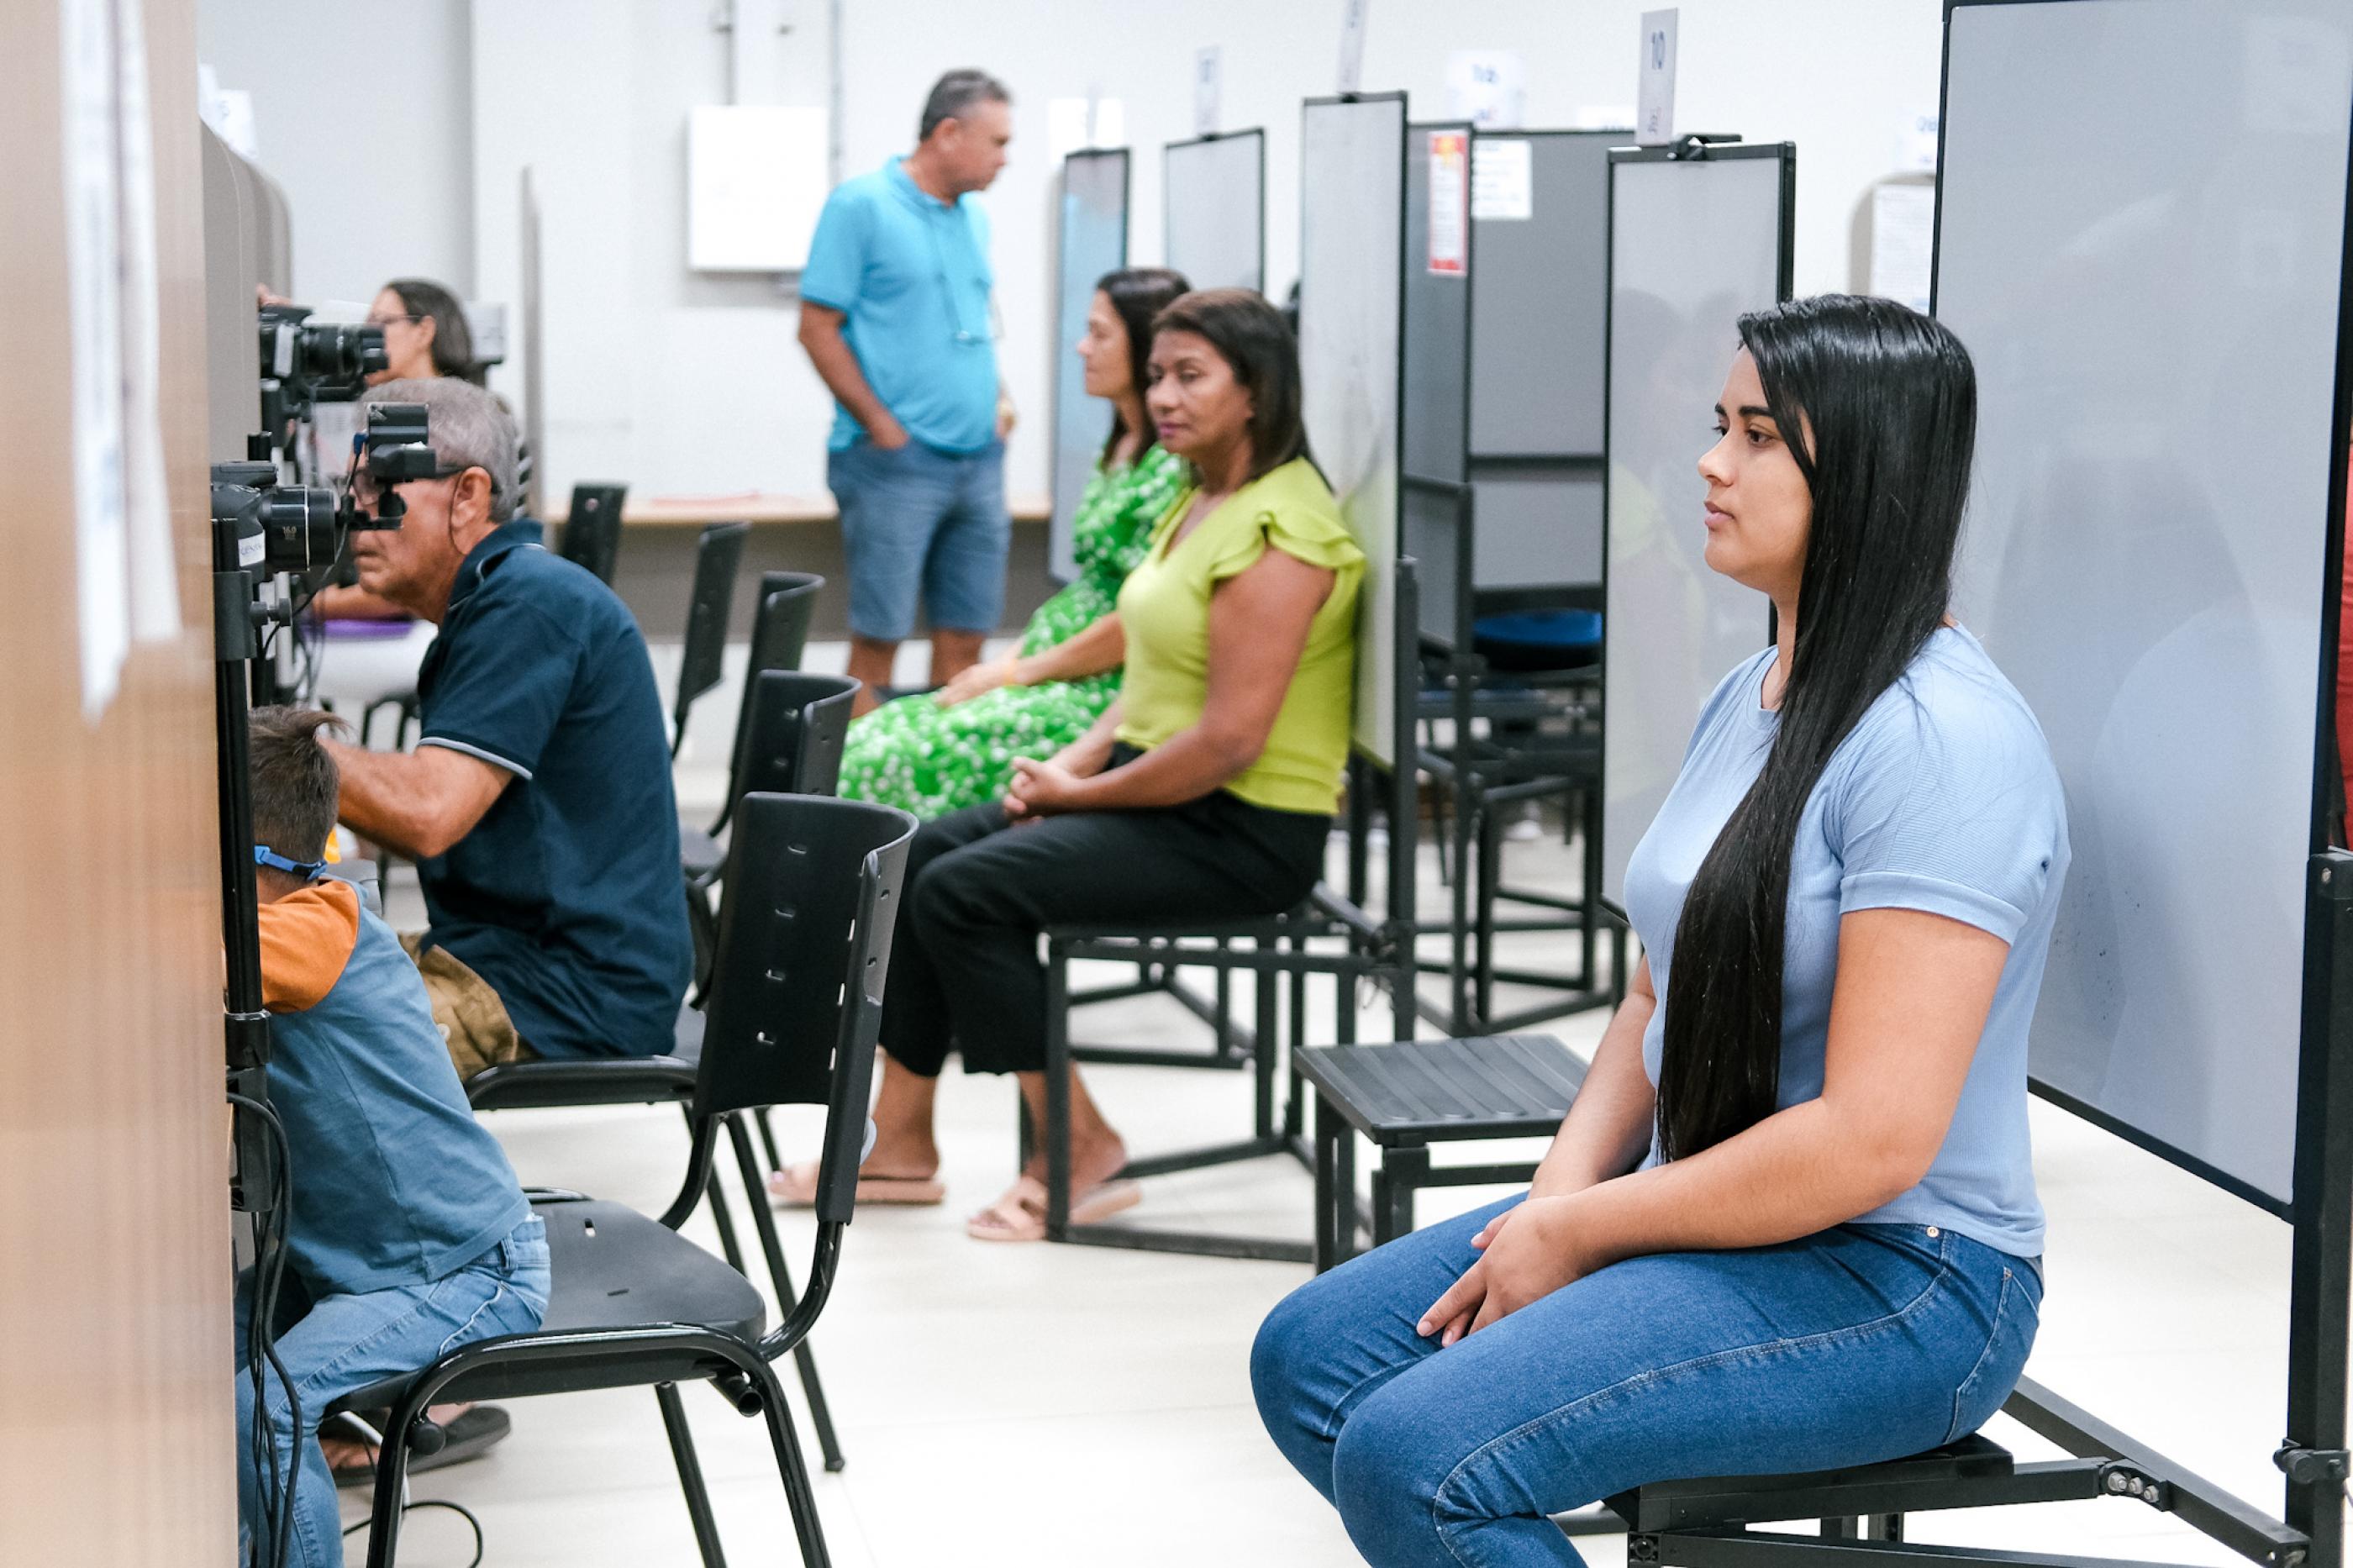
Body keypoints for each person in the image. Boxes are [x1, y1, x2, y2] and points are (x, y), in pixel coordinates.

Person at [1247, 295, 2069, 1565]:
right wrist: (1555, 1201)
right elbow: (1653, 992)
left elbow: (1872, 1140)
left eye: (1757, 436)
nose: (1708, 462)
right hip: (1714, 1207)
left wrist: (1581, 1234)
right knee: (1313, 1356)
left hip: (1900, 1275)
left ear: (1871, 475)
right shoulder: (1751, 693)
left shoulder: (1942, 743)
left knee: (1417, 1458)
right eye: (1718, 424)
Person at [776, 288, 1362, 1236]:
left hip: (1242, 830)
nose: (1162, 396)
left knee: (963, 894)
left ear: (1256, 389)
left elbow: (1227, 743)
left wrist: (1085, 795)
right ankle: (902, 1142)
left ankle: (1079, 1145)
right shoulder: (1202, 498)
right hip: (1165, 796)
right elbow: (1159, 673)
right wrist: (1072, 766)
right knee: (913, 859)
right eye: (1158, 374)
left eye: (1190, 377)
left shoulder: (1283, 531)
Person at [236, 706, 548, 1567]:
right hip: (356, 1265)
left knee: (265, 1406)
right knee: (185, 1351)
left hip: (462, 1270)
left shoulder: (314, 926)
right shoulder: (301, 907)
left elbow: (165, 950)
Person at [322, 376, 692, 1072]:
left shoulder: (526, 609)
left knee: (303, 1045)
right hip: (507, 960)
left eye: (382, 483)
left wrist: (272, 750)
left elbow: (429, 813)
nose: (357, 509)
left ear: (468, 495)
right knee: (283, 986)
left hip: (566, 991)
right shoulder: (494, 602)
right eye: (353, 486)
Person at [829, 266, 1191, 819]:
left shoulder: (1172, 467)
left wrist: (1010, 673)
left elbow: (1137, 621)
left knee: (880, 758)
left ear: (1145, 346)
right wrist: (1008, 667)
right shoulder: (1120, 448)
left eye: (1099, 333)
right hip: (1050, 663)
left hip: (1096, 687)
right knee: (866, 736)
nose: (1082, 347)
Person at [798, 68, 1018, 714]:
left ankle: (941, 775)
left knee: (967, 639)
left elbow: (968, 325)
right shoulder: (861, 206)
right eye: (997, 142)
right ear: (948, 133)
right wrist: (882, 425)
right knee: (879, 640)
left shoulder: (973, 218)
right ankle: (861, 778)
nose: (1005, 159)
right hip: (895, 464)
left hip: (979, 461)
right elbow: (816, 328)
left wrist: (1000, 402)